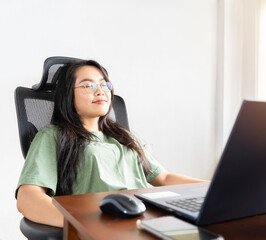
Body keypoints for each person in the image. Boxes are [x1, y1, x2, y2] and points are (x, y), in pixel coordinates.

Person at [16, 60, 205, 228]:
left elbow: (164, 178)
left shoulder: (122, 135)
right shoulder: (54, 135)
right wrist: (80, 224)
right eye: (87, 85)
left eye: (104, 84)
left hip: (149, 219)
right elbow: (28, 197)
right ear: (67, 95)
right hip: (106, 225)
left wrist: (213, 189)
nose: (100, 91)